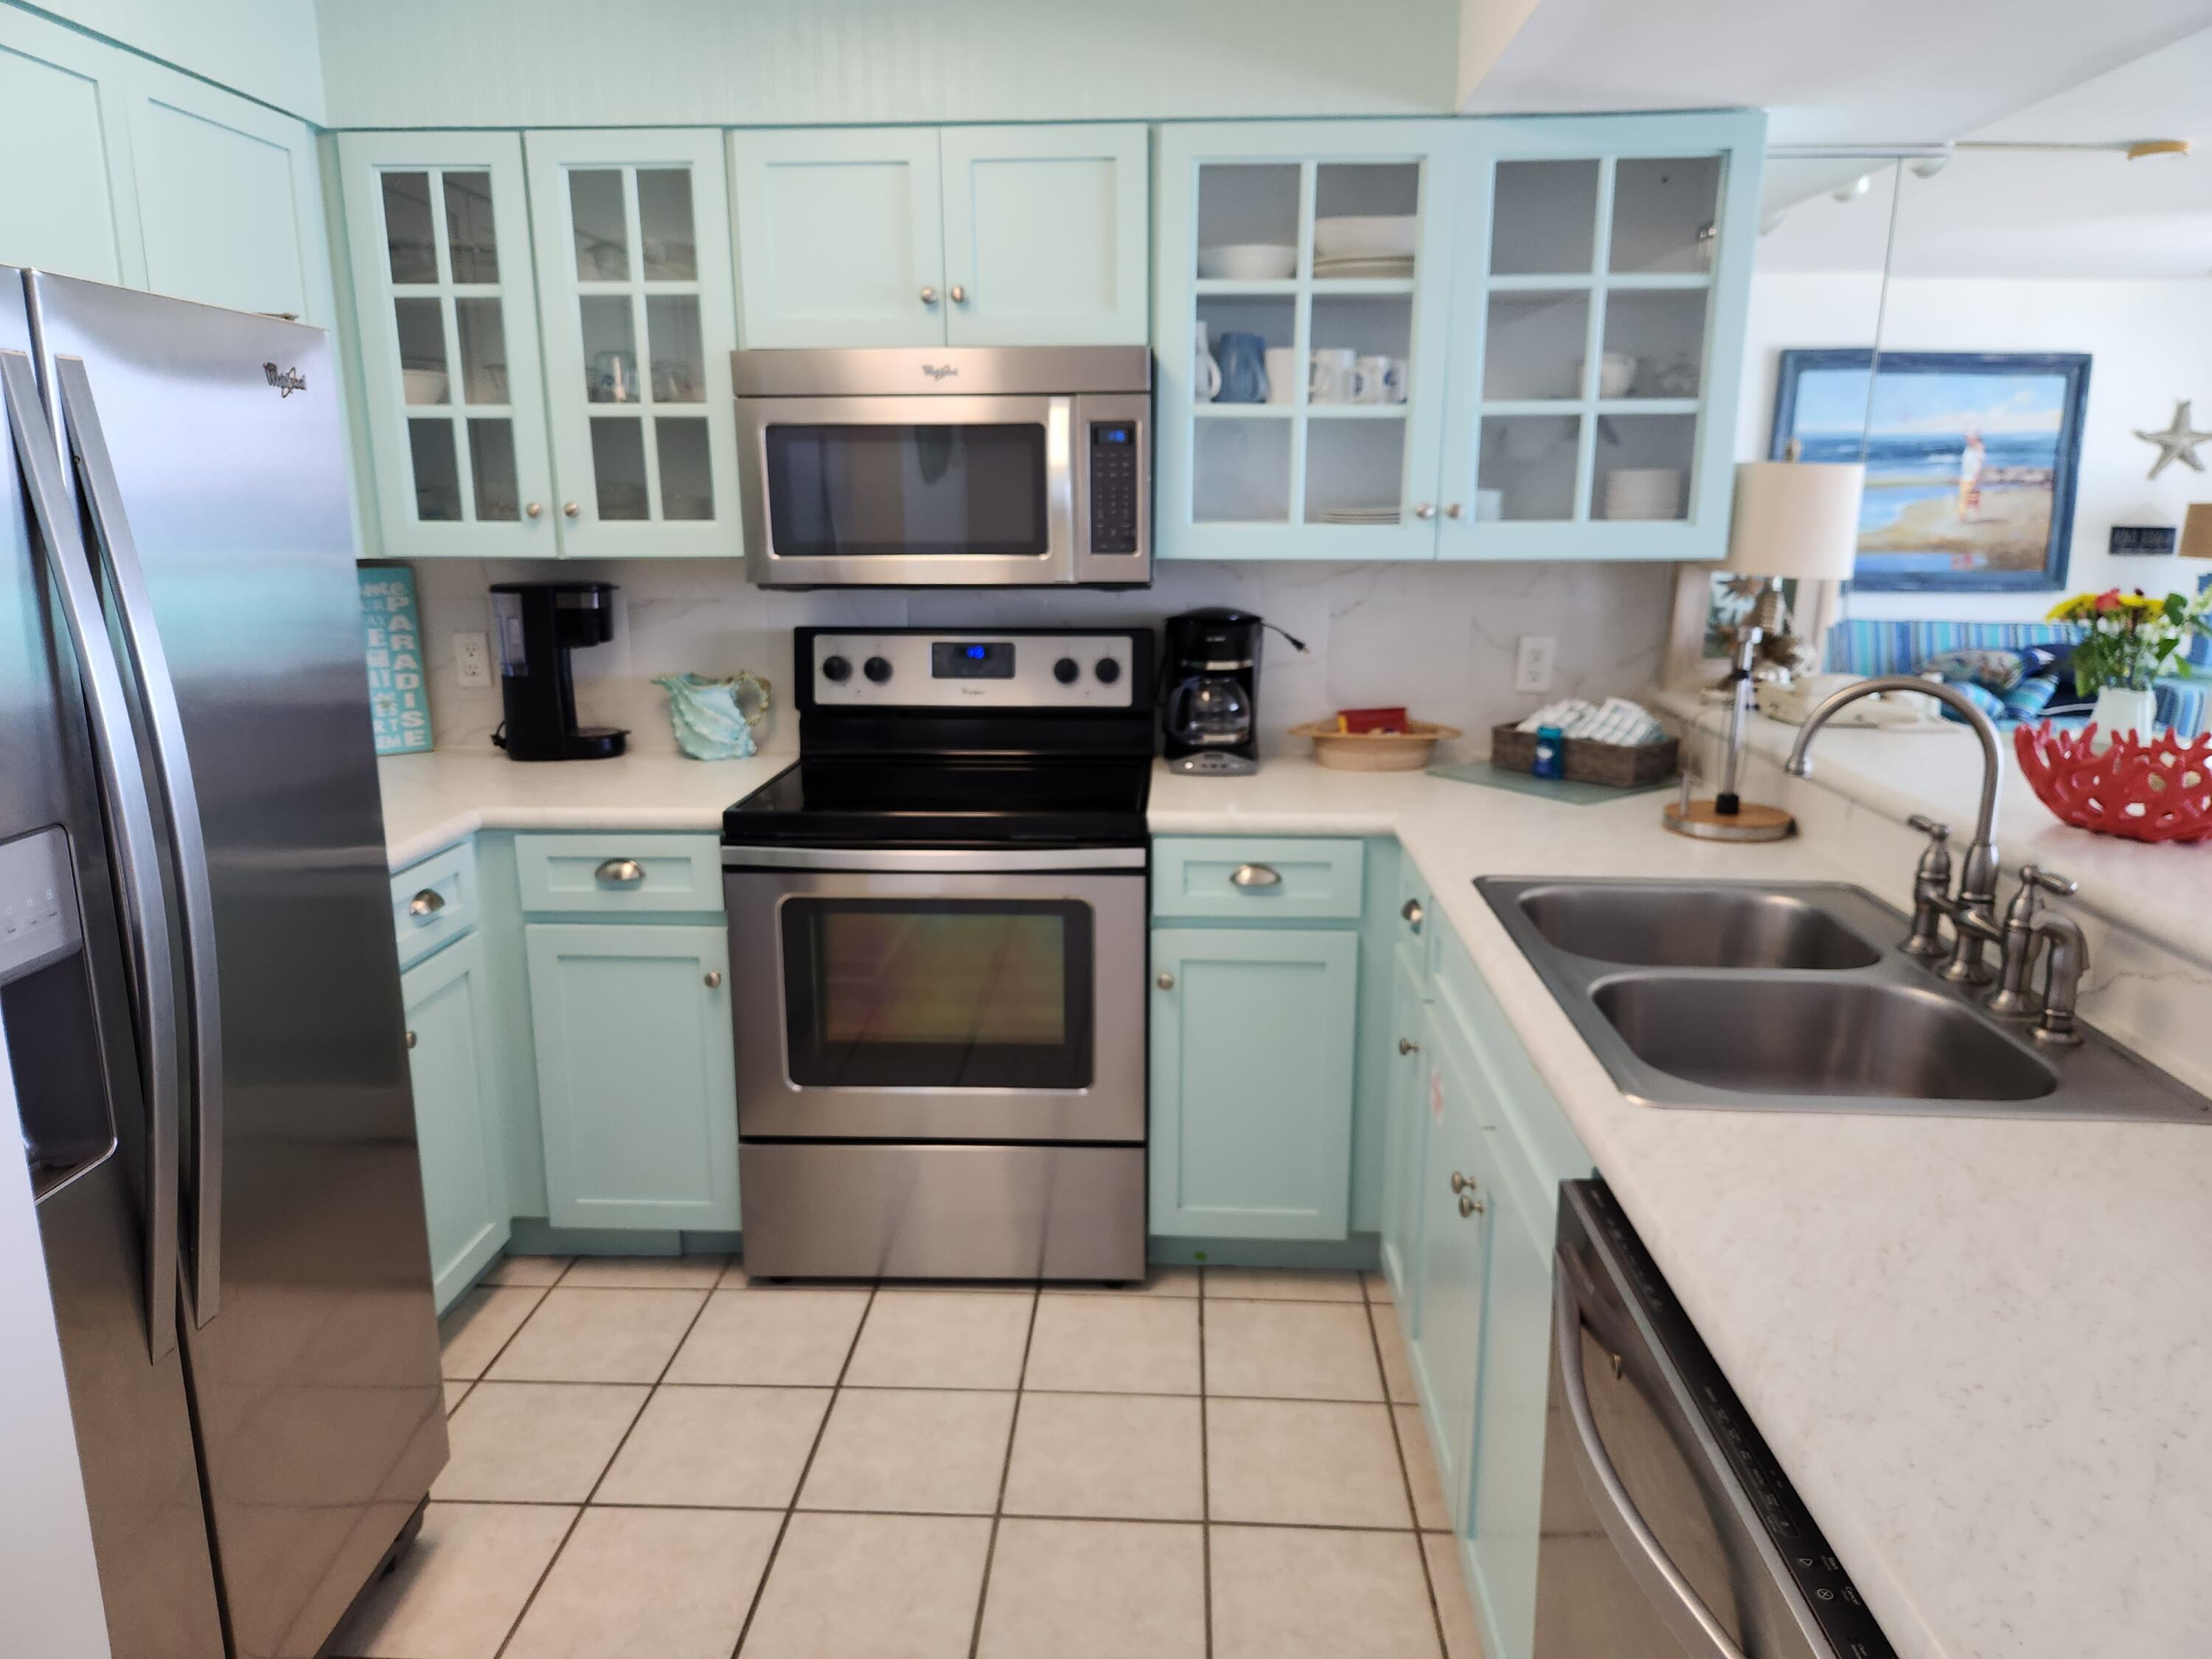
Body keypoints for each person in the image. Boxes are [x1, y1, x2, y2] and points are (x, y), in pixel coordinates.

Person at [1957, 425, 1985, 522]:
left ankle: (1971, 517)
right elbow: (1966, 465)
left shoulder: (1979, 448)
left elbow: (1979, 464)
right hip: (1966, 477)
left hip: (1972, 477)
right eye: (1967, 437)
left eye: (1969, 437)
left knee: (1973, 498)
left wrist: (1977, 478)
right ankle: (1963, 517)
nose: (1967, 439)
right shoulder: (1969, 448)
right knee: (1966, 497)